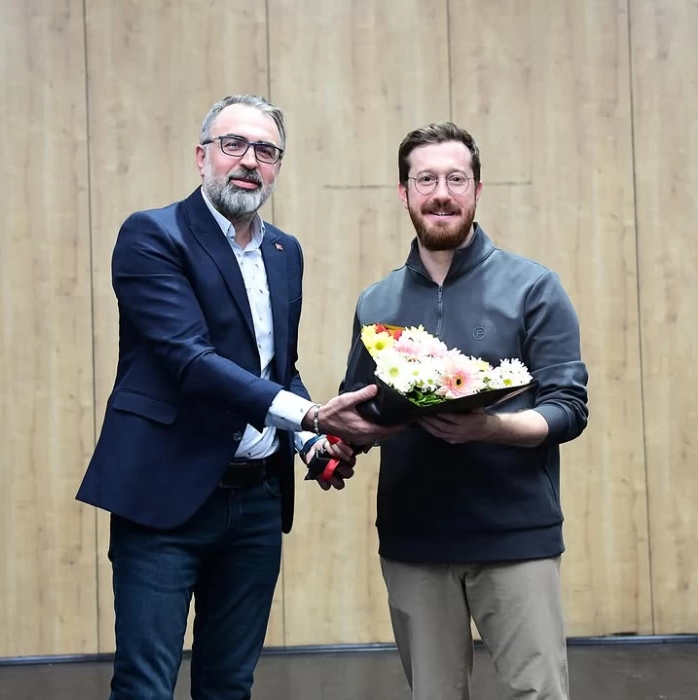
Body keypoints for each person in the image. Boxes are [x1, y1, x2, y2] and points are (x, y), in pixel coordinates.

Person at [76, 94, 395, 700]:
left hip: (255, 504)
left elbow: (278, 370)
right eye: (234, 145)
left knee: (229, 686)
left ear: (277, 168)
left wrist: (310, 442)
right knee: (145, 687)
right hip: (164, 499)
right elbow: (190, 361)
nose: (249, 160)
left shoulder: (284, 251)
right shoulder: (152, 235)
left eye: (266, 151)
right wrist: (309, 415)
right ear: (202, 157)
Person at [341, 121, 589, 699]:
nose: (441, 193)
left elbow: (568, 409)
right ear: (403, 193)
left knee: (538, 694)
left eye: (456, 179)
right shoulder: (376, 302)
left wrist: (490, 427)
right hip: (414, 541)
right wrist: (337, 437)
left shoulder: (534, 287)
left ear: (477, 190)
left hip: (515, 537)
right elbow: (362, 412)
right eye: (425, 179)